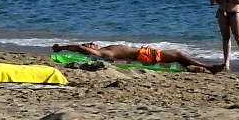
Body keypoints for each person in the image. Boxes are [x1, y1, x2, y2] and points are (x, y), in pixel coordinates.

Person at [53, 42, 222, 74]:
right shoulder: (104, 54)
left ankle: (196, 68)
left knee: (177, 57)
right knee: (178, 54)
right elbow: (78, 48)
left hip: (144, 52)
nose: (90, 43)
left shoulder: (104, 49)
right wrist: (61, 48)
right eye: (88, 44)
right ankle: (209, 68)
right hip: (144, 55)